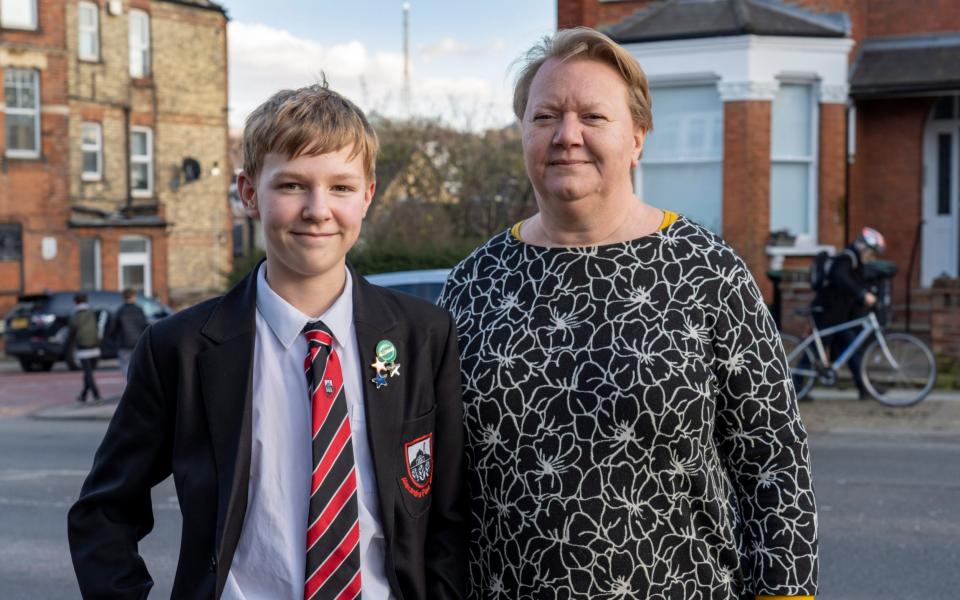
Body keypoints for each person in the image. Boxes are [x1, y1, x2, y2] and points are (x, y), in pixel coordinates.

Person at [438, 27, 818, 600]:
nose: (568, 136)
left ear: (638, 138)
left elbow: (775, 464)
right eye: (546, 117)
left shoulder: (707, 272)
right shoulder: (473, 284)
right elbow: (441, 488)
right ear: (523, 133)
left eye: (593, 117)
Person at [69, 83, 468, 600]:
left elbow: (449, 519)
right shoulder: (180, 348)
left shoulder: (423, 336)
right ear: (249, 192)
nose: (318, 209)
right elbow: (104, 511)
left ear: (368, 194)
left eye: (341, 188)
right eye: (292, 185)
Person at [810, 226, 887, 399]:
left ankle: (865, 388)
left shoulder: (855, 261)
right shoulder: (847, 258)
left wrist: (864, 297)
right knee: (814, 352)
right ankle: (797, 386)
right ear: (864, 247)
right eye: (872, 252)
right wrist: (861, 294)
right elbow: (840, 278)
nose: (872, 257)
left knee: (852, 349)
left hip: (838, 316)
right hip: (827, 312)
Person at [66, 293, 102, 404]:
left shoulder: (75, 315)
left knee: (88, 373)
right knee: (88, 373)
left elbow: (71, 332)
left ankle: (97, 395)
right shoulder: (93, 313)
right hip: (95, 346)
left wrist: (69, 346)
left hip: (83, 347)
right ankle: (83, 395)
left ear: (76, 302)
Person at [109, 287, 148, 379]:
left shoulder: (120, 311)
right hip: (138, 342)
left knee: (125, 365)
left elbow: (114, 328)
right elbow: (144, 325)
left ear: (123, 297)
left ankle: (130, 385)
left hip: (124, 343)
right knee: (139, 366)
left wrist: (113, 339)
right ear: (134, 296)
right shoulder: (139, 310)